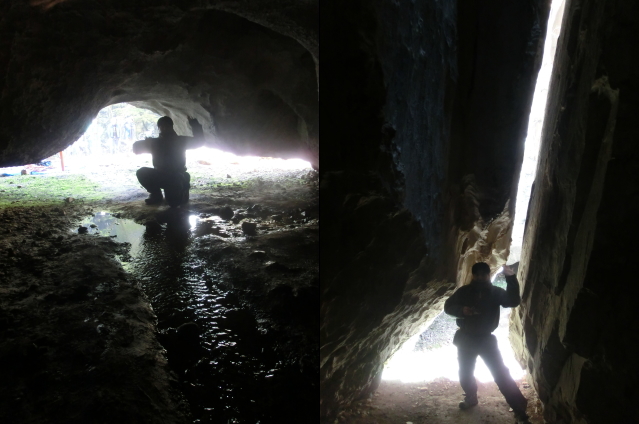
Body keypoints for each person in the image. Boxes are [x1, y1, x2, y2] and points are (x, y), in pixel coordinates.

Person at [444, 262, 530, 424]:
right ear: (473, 275)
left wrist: (511, 278)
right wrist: (462, 310)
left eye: (484, 274)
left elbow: (512, 301)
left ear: (488, 275)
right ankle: (471, 396)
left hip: (486, 339)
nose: (480, 277)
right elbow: (448, 306)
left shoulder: (495, 292)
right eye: (477, 274)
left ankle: (519, 411)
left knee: (501, 373)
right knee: (465, 372)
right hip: (466, 339)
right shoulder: (464, 292)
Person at [132, 116, 205, 207]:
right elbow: (136, 148)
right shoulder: (155, 142)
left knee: (173, 203)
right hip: (160, 174)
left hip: (176, 176)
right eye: (162, 126)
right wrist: (143, 143)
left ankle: (184, 188)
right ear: (159, 128)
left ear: (171, 126)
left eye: (167, 126)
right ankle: (156, 195)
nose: (164, 128)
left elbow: (199, 141)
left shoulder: (180, 140)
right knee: (142, 172)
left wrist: (195, 125)